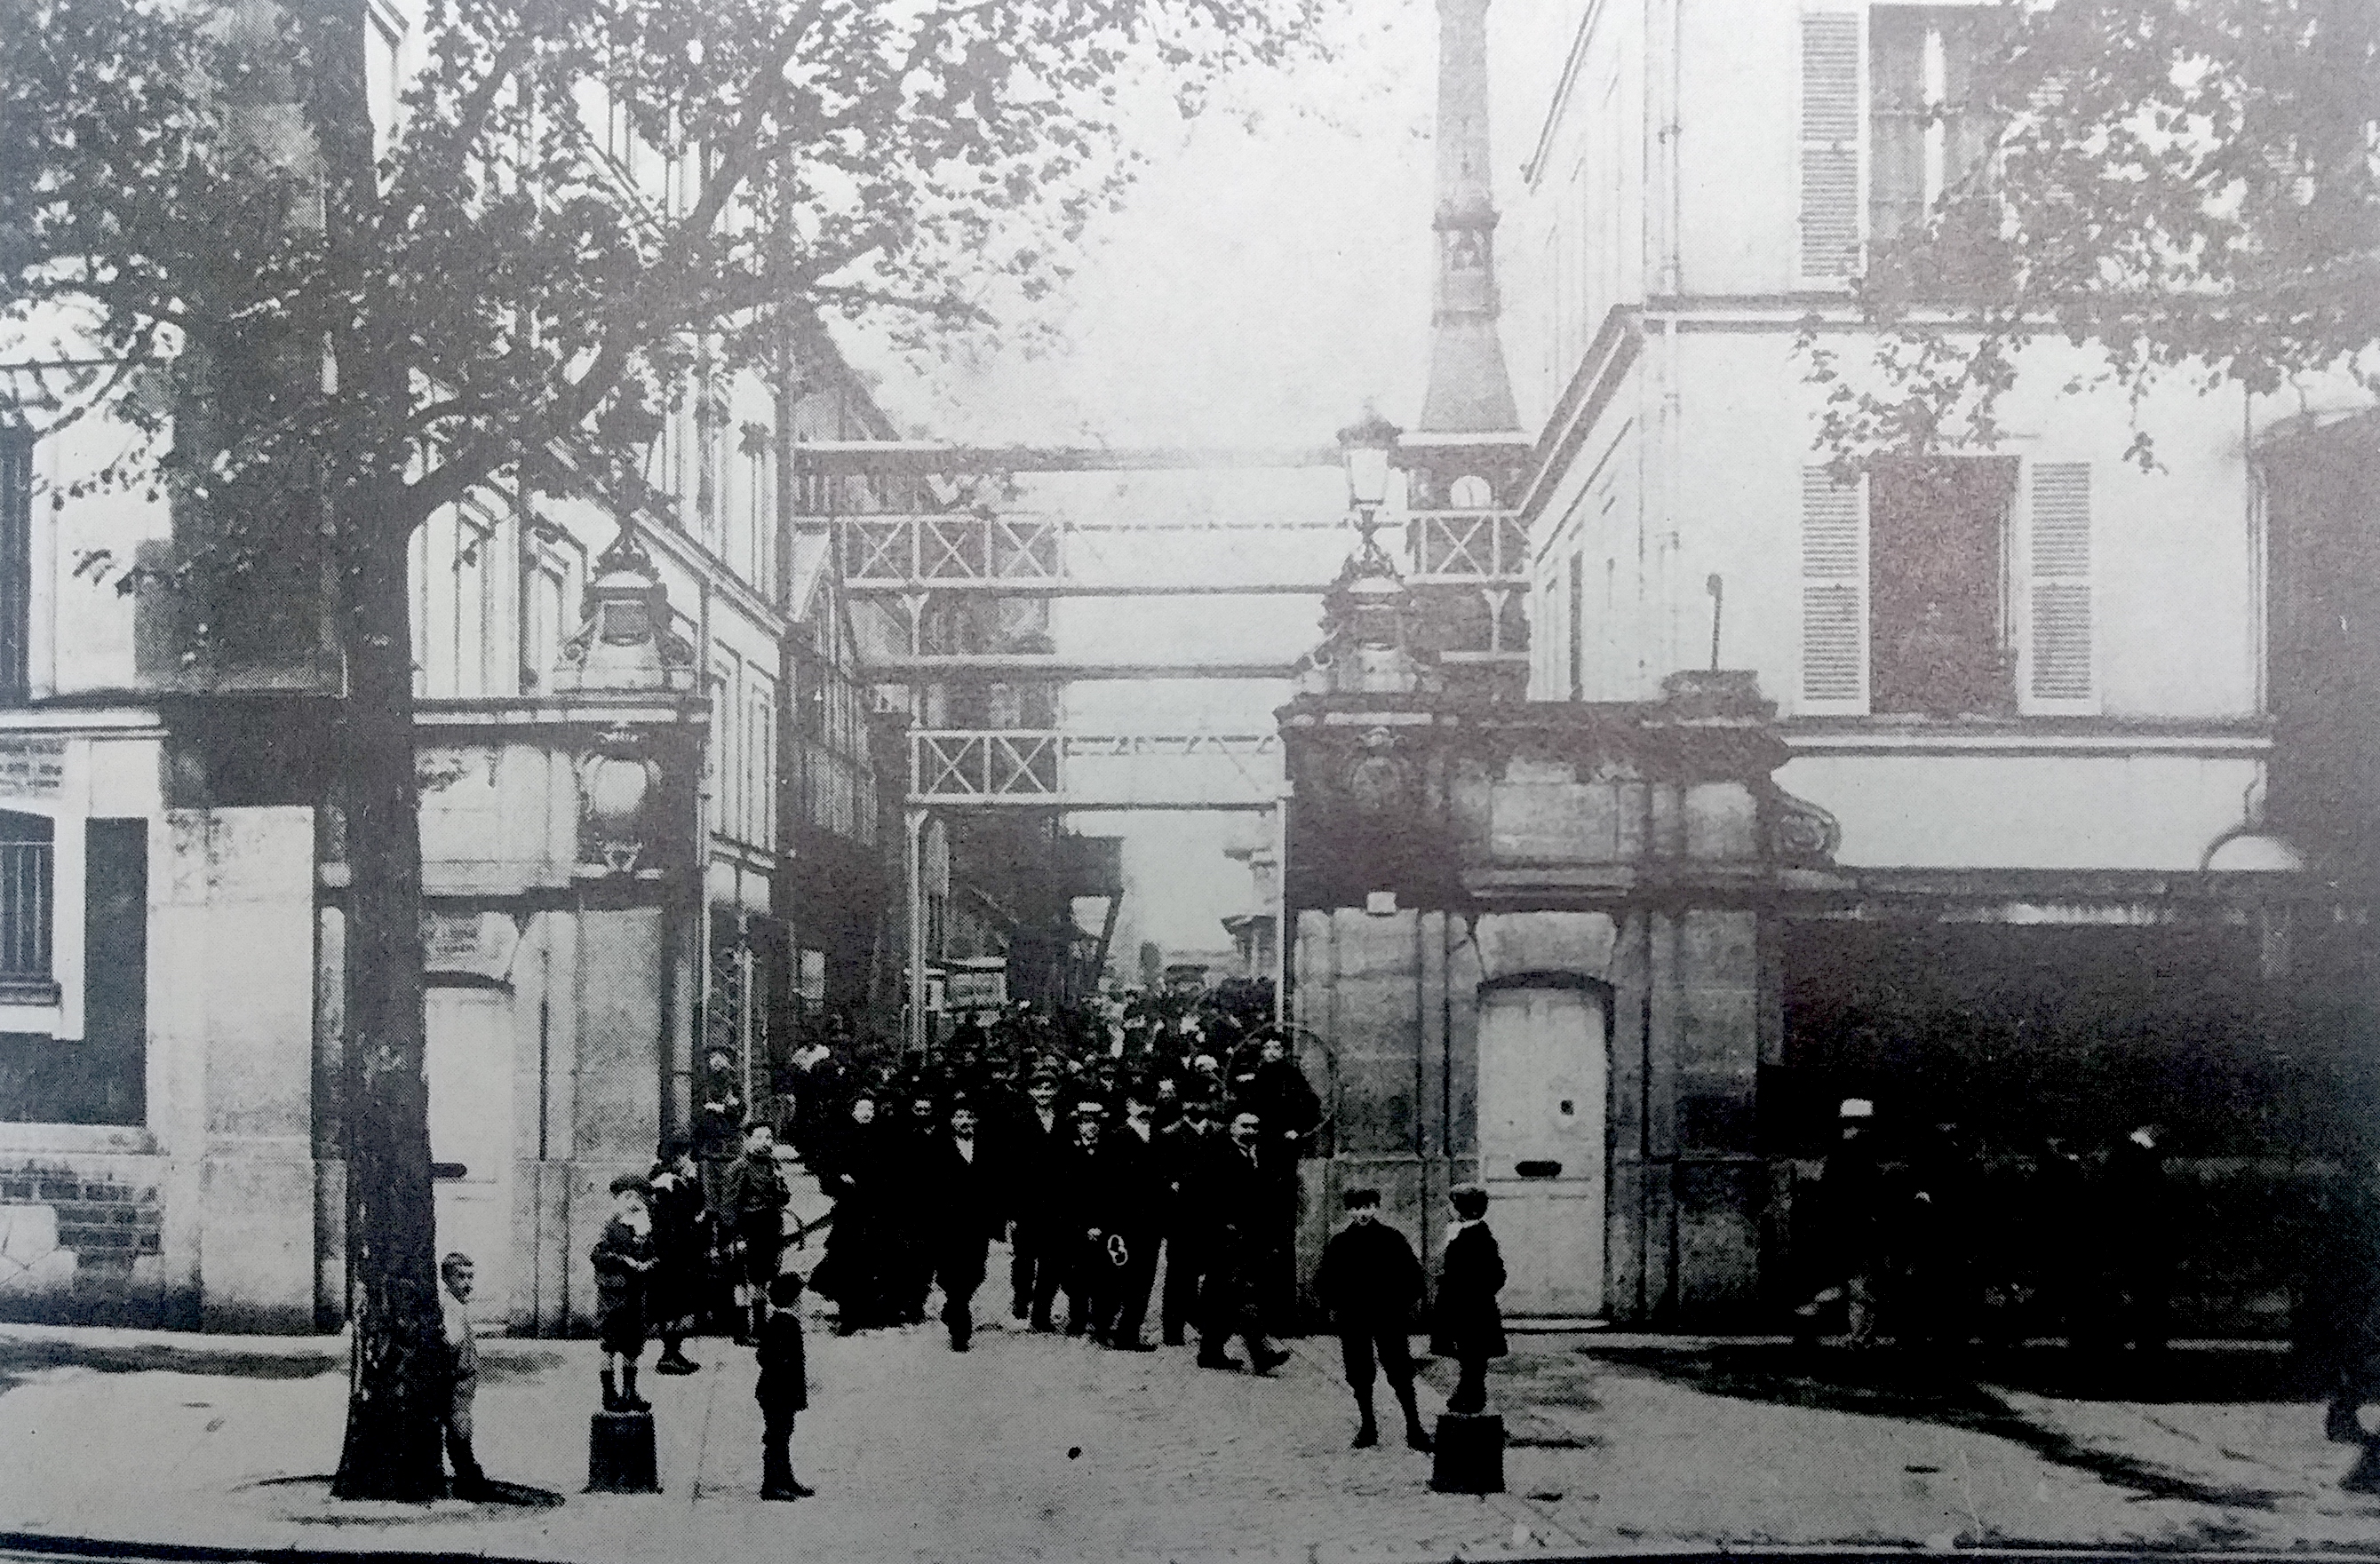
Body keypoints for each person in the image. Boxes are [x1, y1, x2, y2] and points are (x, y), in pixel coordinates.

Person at [1314, 1190, 1432, 1451]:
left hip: (1388, 1316)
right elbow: (1323, 1281)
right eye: (1355, 1208)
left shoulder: (1392, 1239)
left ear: (1377, 1207)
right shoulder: (1340, 1243)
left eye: (1367, 1207)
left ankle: (1414, 1428)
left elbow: (1414, 1277)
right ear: (1348, 1212)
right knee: (1359, 1373)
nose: (1362, 1213)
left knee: (1400, 1370)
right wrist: (1339, 1304)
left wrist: (1400, 1304)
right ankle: (1368, 1427)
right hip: (1354, 1318)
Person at [1198, 1109, 1291, 1375]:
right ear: (1232, 1128)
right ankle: (1262, 1352)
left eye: (1255, 1126)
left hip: (1251, 1239)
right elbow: (1207, 1196)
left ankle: (1210, 1352)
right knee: (1239, 1294)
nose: (1250, 1131)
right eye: (1245, 1126)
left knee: (1223, 1298)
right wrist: (1223, 1226)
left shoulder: (1257, 1156)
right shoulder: (1219, 1156)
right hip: (1227, 1240)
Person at [1795, 1098, 1889, 1346]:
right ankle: (1859, 1337)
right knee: (1860, 1285)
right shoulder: (1860, 1156)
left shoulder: (1837, 1155)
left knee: (1843, 1282)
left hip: (1839, 1228)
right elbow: (1868, 1194)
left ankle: (1808, 1321)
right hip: (1858, 1229)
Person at [1093, 1091, 1166, 1350]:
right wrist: (1107, 1221)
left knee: (1143, 1279)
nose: (1146, 1108)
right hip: (1121, 1221)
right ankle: (1102, 1327)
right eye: (1140, 1103)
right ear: (1129, 1105)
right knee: (1115, 1274)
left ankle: (1128, 1333)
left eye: (1151, 1103)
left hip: (1151, 1222)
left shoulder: (1159, 1138)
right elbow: (1104, 1182)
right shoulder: (1116, 1137)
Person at [931, 1100, 1006, 1351]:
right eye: (958, 1116)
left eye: (968, 1116)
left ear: (975, 1120)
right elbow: (927, 1185)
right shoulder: (937, 1146)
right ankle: (960, 1327)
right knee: (950, 1273)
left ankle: (952, 1307)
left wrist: (998, 1217)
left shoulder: (988, 1146)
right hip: (947, 1222)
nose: (964, 1121)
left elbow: (996, 1182)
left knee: (976, 1272)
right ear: (951, 1120)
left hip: (977, 1221)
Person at [1432, 1184, 1507, 1416]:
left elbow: (1496, 1275)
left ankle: (1472, 1396)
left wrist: (1467, 1288)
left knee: (1474, 1356)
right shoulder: (1459, 1232)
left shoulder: (1479, 1237)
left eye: (1452, 1205)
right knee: (1468, 1355)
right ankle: (1468, 1393)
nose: (1448, 1209)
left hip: (1473, 1309)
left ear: (1463, 1209)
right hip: (1461, 1306)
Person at [1158, 1093, 1225, 1346]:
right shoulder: (1170, 1134)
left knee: (1211, 1272)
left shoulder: (1219, 1133)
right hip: (1182, 1217)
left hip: (1212, 1214)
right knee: (1178, 1275)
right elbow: (1164, 1176)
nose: (1197, 1105)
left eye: (1204, 1099)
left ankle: (1205, 1324)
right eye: (1191, 1100)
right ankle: (1173, 1332)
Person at [1006, 1073, 1070, 1330]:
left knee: (1051, 1260)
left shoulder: (1064, 1122)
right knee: (1024, 1258)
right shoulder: (1019, 1121)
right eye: (1038, 1089)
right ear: (1031, 1093)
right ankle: (1022, 1296)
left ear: (1055, 1092)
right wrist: (1011, 1210)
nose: (1044, 1093)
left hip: (1056, 1203)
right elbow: (1010, 1167)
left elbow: (1069, 1163)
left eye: (1048, 1088)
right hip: (1026, 1203)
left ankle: (1041, 1313)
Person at [593, 1174, 659, 1412]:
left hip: (636, 1294)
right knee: (610, 1345)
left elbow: (656, 1255)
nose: (633, 1202)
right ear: (619, 1200)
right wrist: (624, 1261)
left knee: (633, 1346)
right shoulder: (611, 1227)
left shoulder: (646, 1226)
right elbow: (598, 1256)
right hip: (614, 1296)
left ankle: (630, 1392)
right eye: (627, 1197)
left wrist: (649, 1262)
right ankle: (609, 1394)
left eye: (637, 1197)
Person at [722, 1123, 792, 1344]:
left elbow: (784, 1196)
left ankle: (760, 1329)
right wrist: (738, 1236)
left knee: (762, 1278)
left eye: (769, 1137)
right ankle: (742, 1331)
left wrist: (780, 1188)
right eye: (759, 1137)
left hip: (769, 1226)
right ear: (748, 1140)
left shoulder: (773, 1164)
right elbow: (729, 1205)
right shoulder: (739, 1167)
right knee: (743, 1281)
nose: (765, 1142)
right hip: (747, 1227)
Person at [646, 1139, 709, 1374]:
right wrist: (695, 1221)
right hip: (672, 1256)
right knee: (671, 1304)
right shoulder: (663, 1185)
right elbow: (674, 1221)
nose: (690, 1161)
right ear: (674, 1160)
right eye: (685, 1157)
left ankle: (674, 1351)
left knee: (682, 1304)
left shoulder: (683, 1181)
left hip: (686, 1253)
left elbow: (699, 1206)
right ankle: (668, 1354)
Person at [754, 1271, 816, 1501]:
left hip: (778, 1391)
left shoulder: (783, 1321)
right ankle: (772, 1483)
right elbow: (767, 1356)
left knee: (783, 1434)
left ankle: (784, 1478)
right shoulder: (783, 1323)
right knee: (776, 1437)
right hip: (777, 1392)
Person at [437, 1252, 491, 1497]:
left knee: (460, 1428)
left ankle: (467, 1474)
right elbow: (451, 1343)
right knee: (460, 1429)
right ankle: (468, 1478)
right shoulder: (451, 1308)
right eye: (461, 1277)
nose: (467, 1283)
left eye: (471, 1277)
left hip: (463, 1382)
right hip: (456, 1381)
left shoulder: (458, 1305)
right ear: (446, 1278)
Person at [692, 1047, 746, 1207]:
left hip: (730, 1144)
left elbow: (740, 1110)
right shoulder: (703, 1084)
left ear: (728, 1062)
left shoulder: (734, 1085)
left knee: (731, 1189)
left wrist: (720, 1109)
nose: (717, 1061)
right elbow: (697, 1111)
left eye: (721, 1057)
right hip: (708, 1145)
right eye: (713, 1057)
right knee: (709, 1191)